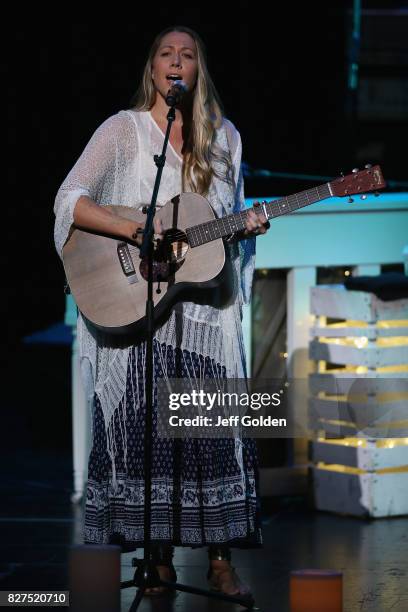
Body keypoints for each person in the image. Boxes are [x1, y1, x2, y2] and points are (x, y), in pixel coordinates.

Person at [53, 25, 269, 597]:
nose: (177, 62)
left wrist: (246, 229)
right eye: (166, 54)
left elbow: (226, 227)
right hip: (140, 311)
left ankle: (221, 564)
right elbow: (69, 198)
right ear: (152, 69)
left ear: (199, 71)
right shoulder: (122, 133)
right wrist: (134, 228)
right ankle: (158, 558)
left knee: (212, 434)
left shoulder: (225, 139)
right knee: (146, 434)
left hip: (204, 320)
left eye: (188, 55)